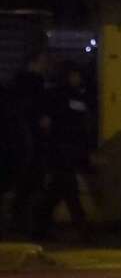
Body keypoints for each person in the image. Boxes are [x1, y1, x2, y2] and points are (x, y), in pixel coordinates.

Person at [33, 61, 93, 242]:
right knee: (68, 191)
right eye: (75, 75)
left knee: (58, 192)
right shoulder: (64, 96)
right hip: (62, 150)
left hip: (62, 150)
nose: (78, 78)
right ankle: (81, 229)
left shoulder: (68, 95)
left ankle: (40, 228)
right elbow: (71, 124)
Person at [5, 49, 50, 238]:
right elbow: (35, 112)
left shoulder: (16, 85)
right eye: (43, 61)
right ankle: (26, 227)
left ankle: (21, 225)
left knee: (25, 186)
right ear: (34, 62)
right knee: (31, 186)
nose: (45, 65)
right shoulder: (34, 84)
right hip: (31, 144)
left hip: (21, 145)